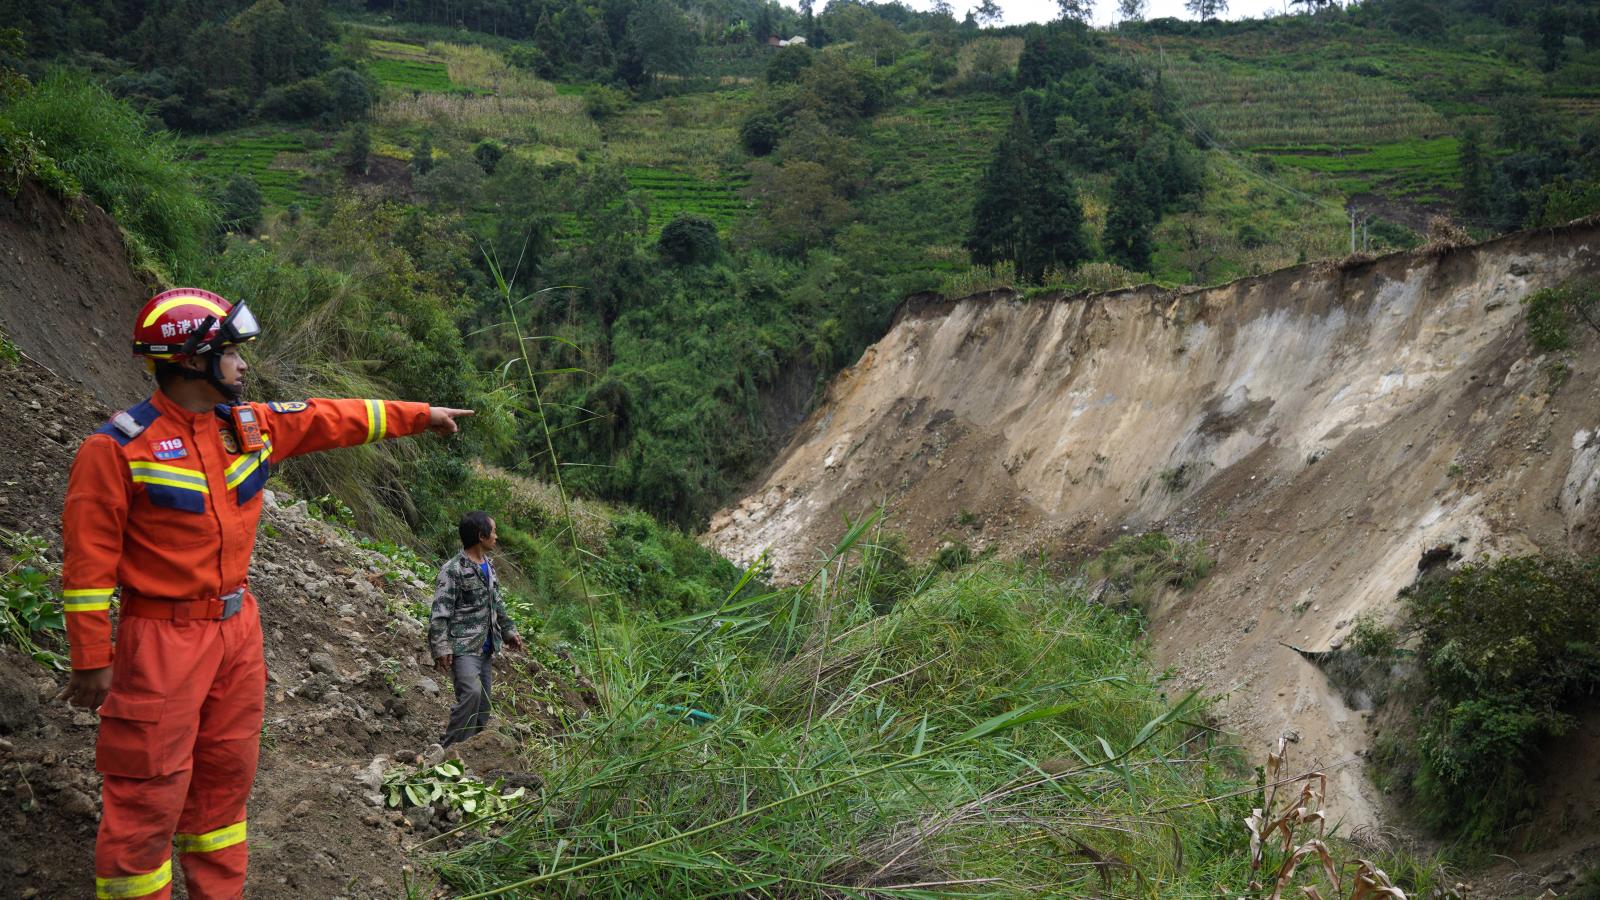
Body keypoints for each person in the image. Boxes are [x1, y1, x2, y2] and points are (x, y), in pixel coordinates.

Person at [57, 288, 475, 900]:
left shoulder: (245, 428)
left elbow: (329, 418)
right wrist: (92, 659)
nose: (243, 365)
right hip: (160, 643)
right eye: (231, 353)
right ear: (195, 360)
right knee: (148, 793)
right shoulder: (118, 448)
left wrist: (420, 415)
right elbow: (87, 567)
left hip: (236, 634)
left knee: (225, 786)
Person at [429, 511, 523, 746]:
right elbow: (440, 612)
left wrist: (509, 631)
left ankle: (472, 751)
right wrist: (441, 647)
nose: (496, 536)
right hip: (464, 646)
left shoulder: (488, 567)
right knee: (471, 694)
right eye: (493, 531)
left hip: (486, 647)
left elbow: (497, 603)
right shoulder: (453, 570)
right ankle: (449, 751)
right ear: (481, 536)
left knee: (483, 707)